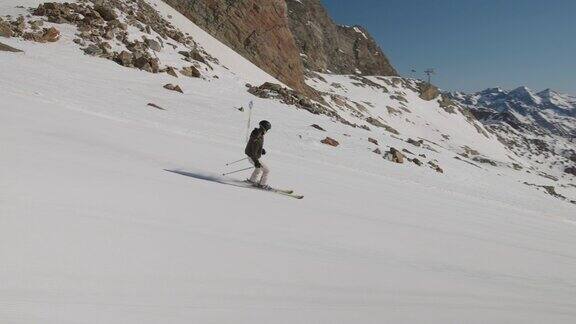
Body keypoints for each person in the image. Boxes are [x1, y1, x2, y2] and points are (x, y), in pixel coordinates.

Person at [245, 120, 271, 188]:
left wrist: (260, 150)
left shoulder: (258, 134)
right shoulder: (258, 137)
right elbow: (254, 152)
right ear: (265, 128)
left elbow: (254, 146)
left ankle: (252, 181)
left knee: (258, 169)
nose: (267, 131)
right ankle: (262, 185)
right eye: (267, 129)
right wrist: (256, 162)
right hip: (253, 157)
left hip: (251, 156)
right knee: (266, 170)